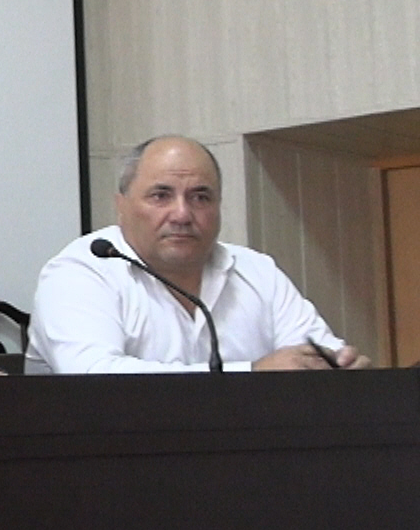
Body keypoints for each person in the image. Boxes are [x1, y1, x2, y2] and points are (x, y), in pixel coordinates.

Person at [25, 135, 368, 374]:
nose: (182, 214)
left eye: (200, 197)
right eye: (160, 196)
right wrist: (252, 371)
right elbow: (94, 377)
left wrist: (341, 367)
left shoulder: (256, 271)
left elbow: (316, 353)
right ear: (121, 207)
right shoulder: (81, 271)